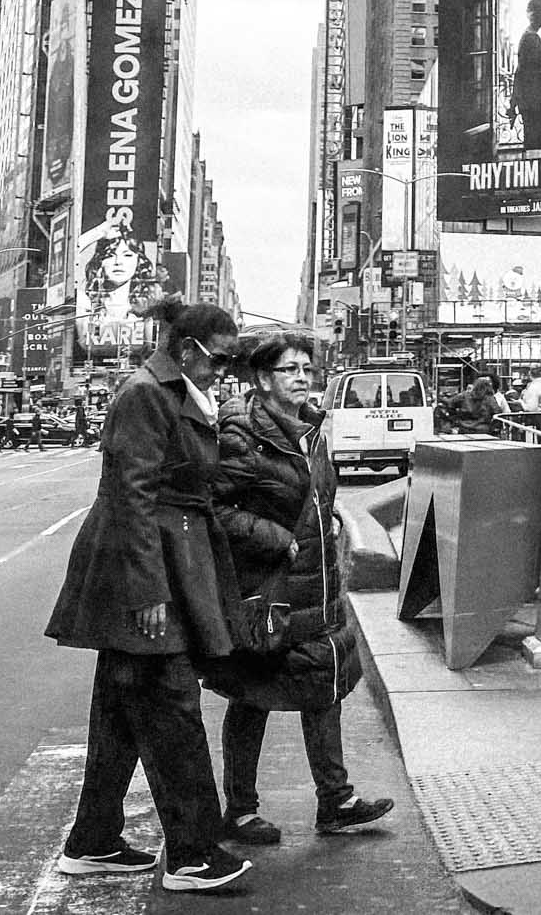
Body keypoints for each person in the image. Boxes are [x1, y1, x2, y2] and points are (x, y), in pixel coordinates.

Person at [43, 298, 252, 894]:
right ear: (188, 350)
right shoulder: (146, 394)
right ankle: (191, 854)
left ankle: (94, 840)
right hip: (143, 561)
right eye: (219, 360)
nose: (223, 371)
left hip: (170, 553)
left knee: (120, 705)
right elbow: (129, 495)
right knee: (170, 702)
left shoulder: (179, 390)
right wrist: (147, 589)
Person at [203, 334, 392, 844]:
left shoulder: (312, 430)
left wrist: (326, 528)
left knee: (323, 684)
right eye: (290, 369)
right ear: (263, 379)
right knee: (252, 696)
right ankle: (240, 810)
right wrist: (276, 539)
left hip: (317, 583)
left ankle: (336, 800)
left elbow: (319, 499)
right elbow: (215, 510)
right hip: (268, 591)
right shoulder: (241, 433)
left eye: (306, 367)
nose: (302, 377)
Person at [509, 0, 541, 155]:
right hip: (535, 104)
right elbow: (521, 73)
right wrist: (514, 103)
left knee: (538, 146)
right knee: (540, 147)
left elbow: (519, 73)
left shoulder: (528, 36)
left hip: (533, 103)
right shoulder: (530, 39)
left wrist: (514, 103)